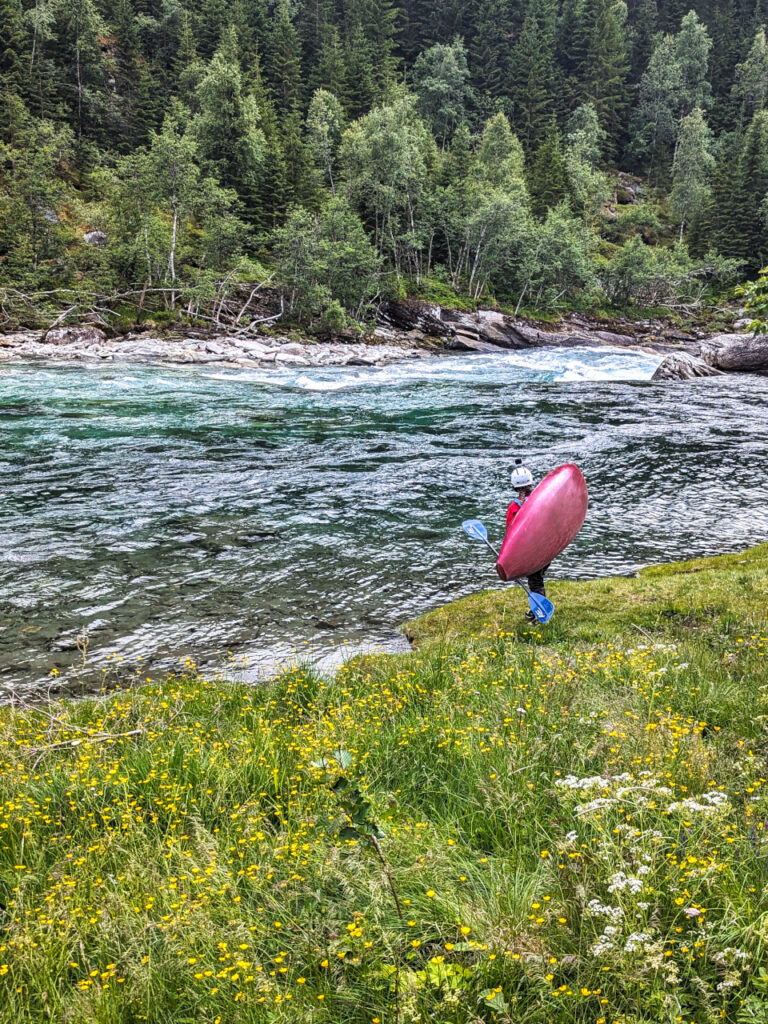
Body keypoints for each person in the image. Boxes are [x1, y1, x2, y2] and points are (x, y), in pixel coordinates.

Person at [506, 460, 549, 621]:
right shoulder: (542, 500)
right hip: (546, 549)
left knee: (535, 581)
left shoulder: (514, 508)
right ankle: (538, 609)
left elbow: (510, 535)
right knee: (537, 579)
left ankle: (539, 613)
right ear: (531, 482)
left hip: (531, 552)